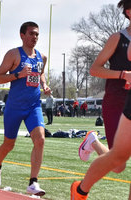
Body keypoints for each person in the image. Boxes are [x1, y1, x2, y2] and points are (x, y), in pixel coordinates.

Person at [70, 1, 131, 199]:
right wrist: (123, 74)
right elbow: (95, 69)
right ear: (129, 12)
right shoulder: (118, 38)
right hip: (117, 102)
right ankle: (93, 141)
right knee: (119, 165)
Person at [0, 21, 50, 197]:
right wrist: (18, 74)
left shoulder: (42, 56)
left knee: (40, 140)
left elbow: (41, 74)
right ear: (22, 35)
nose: (35, 37)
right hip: (14, 107)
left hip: (33, 106)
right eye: (31, 33)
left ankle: (33, 183)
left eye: (37, 34)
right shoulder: (13, 54)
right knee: (9, 144)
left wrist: (45, 85)